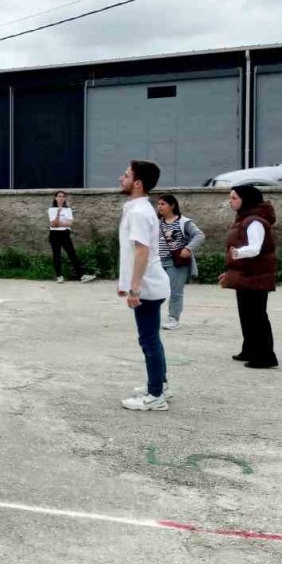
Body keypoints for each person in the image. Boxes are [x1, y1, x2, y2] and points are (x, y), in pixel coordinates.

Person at [117, 160, 174, 411]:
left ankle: (155, 395)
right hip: (149, 284)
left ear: (138, 183)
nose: (121, 178)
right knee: (152, 340)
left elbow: (142, 251)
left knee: (149, 341)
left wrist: (134, 288)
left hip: (148, 287)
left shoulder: (139, 212)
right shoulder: (138, 208)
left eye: (126, 175)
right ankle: (160, 384)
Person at [219, 184, 278, 369]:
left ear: (246, 200)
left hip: (256, 276)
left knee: (257, 317)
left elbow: (255, 248)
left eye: (234, 198)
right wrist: (231, 272)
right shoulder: (244, 219)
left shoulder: (255, 221)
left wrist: (237, 253)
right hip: (246, 275)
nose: (230, 201)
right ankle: (250, 350)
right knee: (246, 315)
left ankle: (265, 356)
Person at [155, 194, 205, 331]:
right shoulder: (156, 222)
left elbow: (199, 235)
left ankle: (173, 319)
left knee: (175, 292)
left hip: (176, 262)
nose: (159, 207)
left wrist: (188, 248)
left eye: (163, 204)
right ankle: (153, 316)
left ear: (172, 206)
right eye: (158, 204)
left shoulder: (184, 222)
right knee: (155, 290)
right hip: (157, 262)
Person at [48, 191, 97, 284]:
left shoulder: (68, 210)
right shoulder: (51, 210)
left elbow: (70, 223)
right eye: (59, 196)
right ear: (55, 198)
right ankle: (59, 276)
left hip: (65, 233)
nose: (62, 198)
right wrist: (58, 213)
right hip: (54, 234)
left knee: (72, 255)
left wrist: (59, 223)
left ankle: (82, 276)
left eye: (63, 196)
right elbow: (53, 224)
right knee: (56, 255)